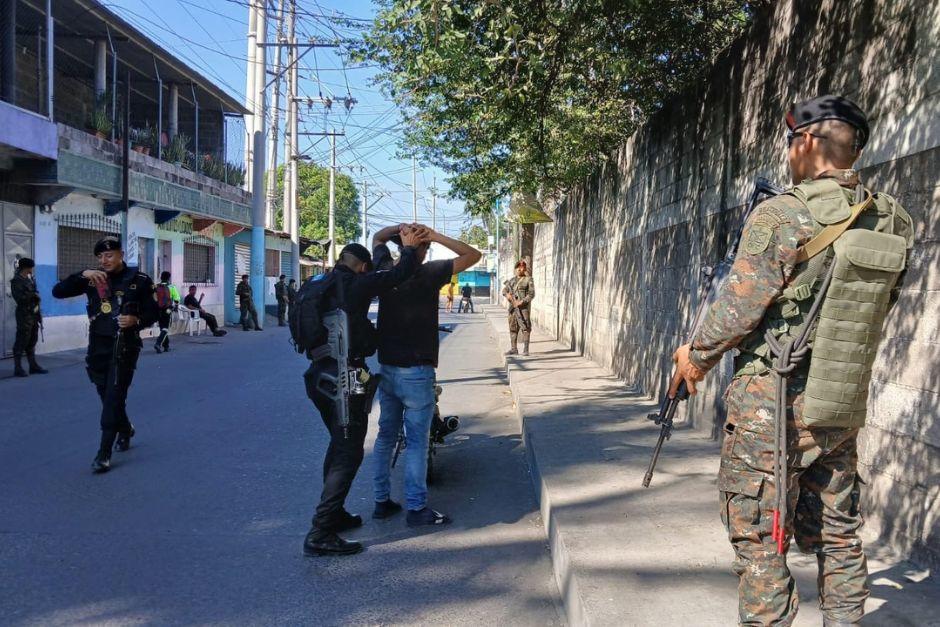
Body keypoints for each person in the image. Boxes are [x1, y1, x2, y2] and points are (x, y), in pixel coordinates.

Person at [669, 95, 914, 625]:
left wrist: (695, 358)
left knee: (760, 535)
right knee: (838, 530)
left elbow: (737, 310)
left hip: (772, 402)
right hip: (839, 397)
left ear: (805, 142)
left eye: (789, 143)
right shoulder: (892, 221)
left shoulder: (782, 213)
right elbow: (880, 307)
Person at [303, 226, 426, 557]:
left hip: (318, 375)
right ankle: (320, 531)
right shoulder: (355, 284)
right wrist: (411, 247)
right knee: (349, 452)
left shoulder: (319, 284)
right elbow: (400, 273)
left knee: (338, 444)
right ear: (363, 266)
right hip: (343, 378)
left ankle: (336, 514)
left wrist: (386, 236)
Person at [371, 225, 481, 527]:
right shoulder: (428, 272)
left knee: (385, 437)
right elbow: (474, 255)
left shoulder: (384, 270)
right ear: (421, 249)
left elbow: (376, 237)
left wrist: (401, 231)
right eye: (426, 246)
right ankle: (416, 508)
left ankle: (381, 501)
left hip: (387, 369)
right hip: (416, 372)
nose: (428, 250)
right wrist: (433, 235)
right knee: (418, 441)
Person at [52, 236, 159, 473]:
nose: (104, 260)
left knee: (114, 395)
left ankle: (104, 452)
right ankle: (125, 428)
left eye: (109, 255)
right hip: (98, 345)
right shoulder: (93, 279)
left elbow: (154, 313)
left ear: (121, 254)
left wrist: (136, 320)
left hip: (125, 345)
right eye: (100, 257)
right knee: (105, 393)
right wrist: (82, 274)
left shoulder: (139, 280)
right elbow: (58, 291)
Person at [10, 257, 48, 377]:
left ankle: (33, 366)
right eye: (31, 267)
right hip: (24, 315)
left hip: (33, 314)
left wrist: (38, 311)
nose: (32, 269)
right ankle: (18, 368)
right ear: (26, 268)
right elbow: (20, 299)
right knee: (21, 341)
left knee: (32, 341)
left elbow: (34, 294)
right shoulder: (16, 281)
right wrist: (33, 295)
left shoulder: (30, 279)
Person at [502, 260, 535, 355]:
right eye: (518, 267)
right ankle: (514, 349)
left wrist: (521, 302)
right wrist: (507, 295)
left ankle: (526, 349)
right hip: (512, 308)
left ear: (524, 268)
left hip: (523, 308)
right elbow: (504, 290)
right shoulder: (512, 280)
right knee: (512, 328)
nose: (519, 269)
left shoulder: (528, 279)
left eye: (522, 267)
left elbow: (531, 294)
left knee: (525, 327)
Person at [154, 271, 180, 353]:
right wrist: (175, 307)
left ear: (161, 277)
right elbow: (177, 299)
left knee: (162, 328)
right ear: (169, 278)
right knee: (165, 328)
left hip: (158, 310)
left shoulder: (156, 286)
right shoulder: (172, 287)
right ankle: (158, 343)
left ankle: (166, 346)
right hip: (167, 310)